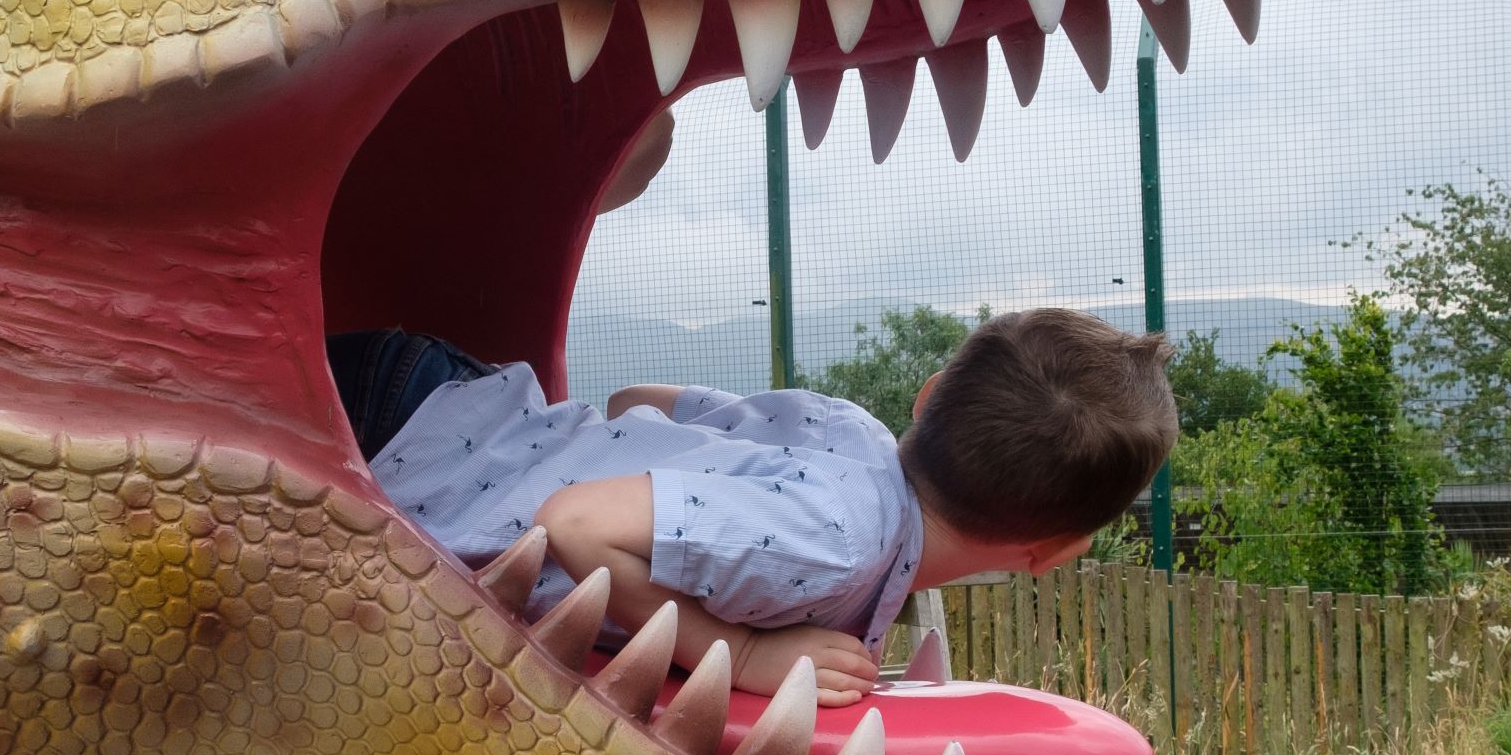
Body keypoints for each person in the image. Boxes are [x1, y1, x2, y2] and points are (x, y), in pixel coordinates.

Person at [330, 310, 1177, 706]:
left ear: (927, 398)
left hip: (447, 398)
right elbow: (577, 522)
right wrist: (738, 651)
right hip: (396, 430)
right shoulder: (834, 545)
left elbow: (632, 399)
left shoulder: (852, 430)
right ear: (1059, 550)